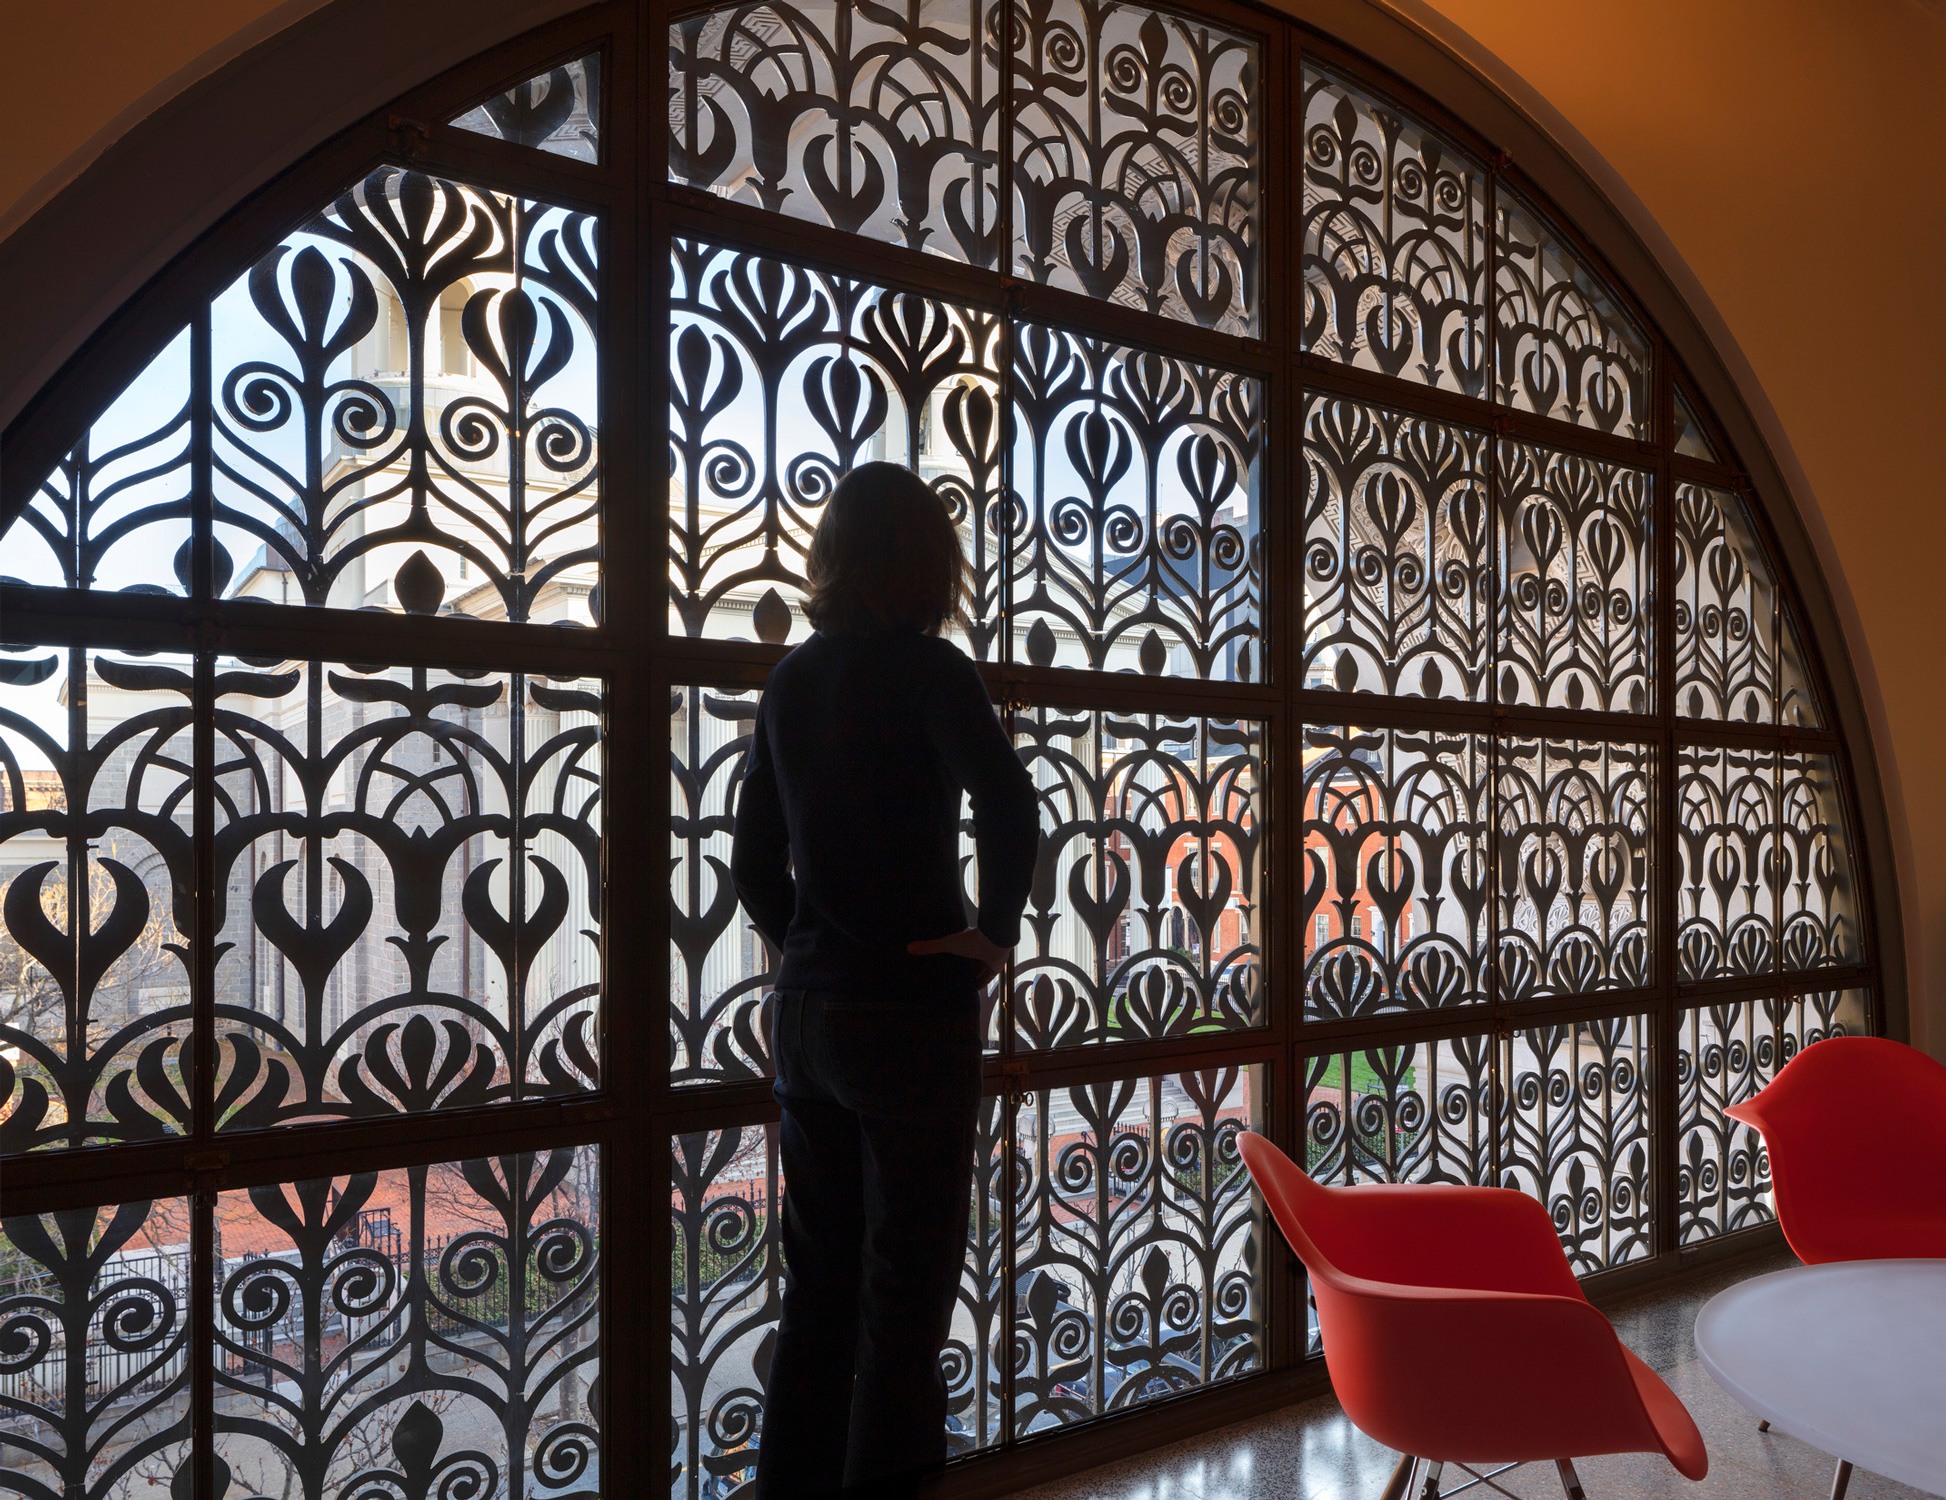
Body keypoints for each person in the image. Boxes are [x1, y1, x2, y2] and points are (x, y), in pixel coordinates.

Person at [732, 462, 1039, 1497]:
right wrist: (989, 937)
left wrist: (813, 941)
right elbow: (1007, 805)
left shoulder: (791, 677)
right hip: (909, 1013)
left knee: (816, 1294)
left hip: (807, 1016)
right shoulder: (932, 672)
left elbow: (748, 861)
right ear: (927, 559)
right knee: (902, 1306)